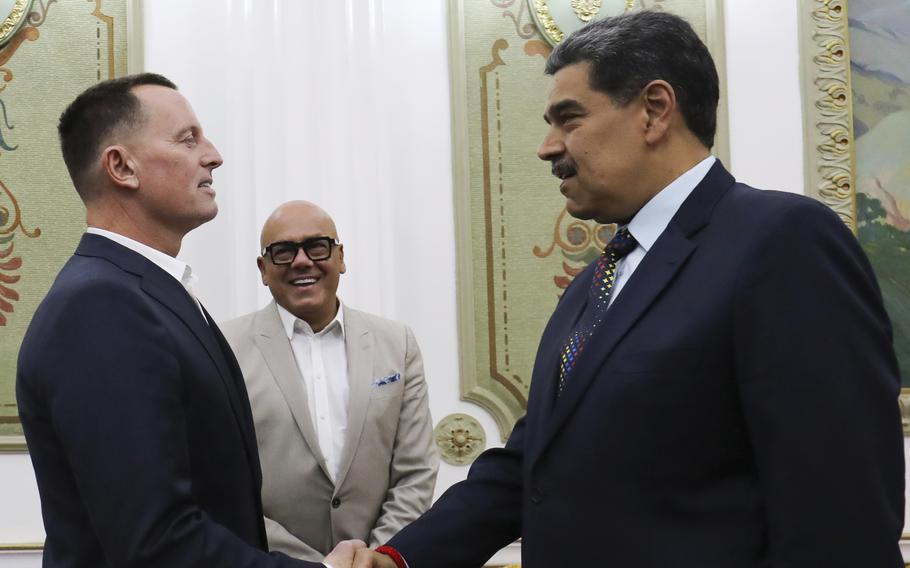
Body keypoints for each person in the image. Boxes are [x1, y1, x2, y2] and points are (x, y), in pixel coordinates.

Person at [353, 10, 905, 568]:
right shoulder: (595, 282)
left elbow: (840, 509)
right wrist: (399, 559)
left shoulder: (783, 242)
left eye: (569, 119)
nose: (547, 147)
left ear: (654, 110)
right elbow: (530, 467)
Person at [16, 74, 363, 568]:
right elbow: (156, 542)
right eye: (187, 139)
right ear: (121, 166)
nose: (213, 155)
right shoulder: (100, 306)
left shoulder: (143, 291)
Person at [221, 200, 438, 562]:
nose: (302, 261)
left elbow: (415, 472)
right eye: (283, 252)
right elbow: (224, 486)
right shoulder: (223, 348)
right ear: (263, 268)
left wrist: (375, 556)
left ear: (340, 257)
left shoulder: (397, 343)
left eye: (317, 246)